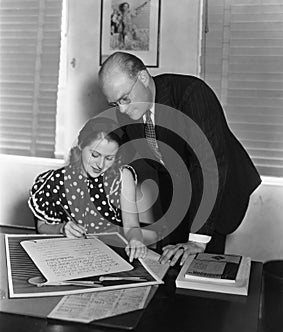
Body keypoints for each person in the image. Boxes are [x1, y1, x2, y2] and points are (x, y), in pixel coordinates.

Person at [98, 51, 262, 266]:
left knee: (200, 267)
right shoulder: (129, 106)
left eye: (125, 99)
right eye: (114, 103)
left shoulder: (191, 94)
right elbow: (118, 147)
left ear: (144, 78)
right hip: (176, 187)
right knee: (169, 261)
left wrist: (197, 240)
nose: (122, 109)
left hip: (217, 186)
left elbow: (208, 165)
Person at [28, 116, 147, 262]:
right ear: (80, 146)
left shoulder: (122, 177)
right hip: (65, 252)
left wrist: (135, 240)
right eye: (95, 155)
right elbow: (42, 227)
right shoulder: (53, 180)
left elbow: (132, 226)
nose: (100, 165)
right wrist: (62, 228)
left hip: (108, 252)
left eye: (109, 158)